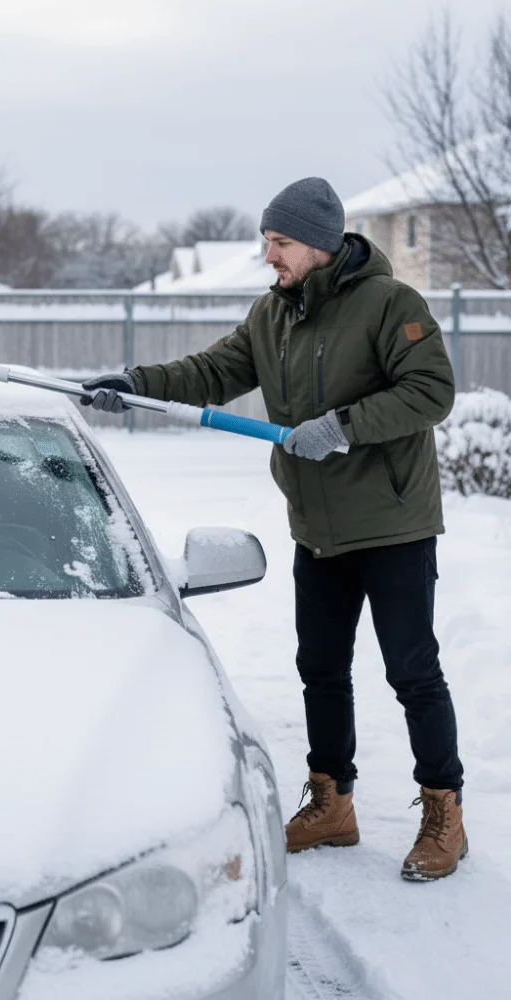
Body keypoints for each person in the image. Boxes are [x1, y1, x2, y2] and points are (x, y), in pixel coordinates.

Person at [83, 177, 466, 881]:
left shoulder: (390, 304)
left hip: (392, 522)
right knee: (320, 667)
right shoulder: (273, 315)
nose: (270, 256)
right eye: (266, 242)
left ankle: (445, 811)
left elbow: (431, 390)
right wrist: (134, 383)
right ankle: (333, 803)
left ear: (320, 243)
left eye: (280, 242)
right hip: (317, 523)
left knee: (412, 669)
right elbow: (212, 371)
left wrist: (343, 426)